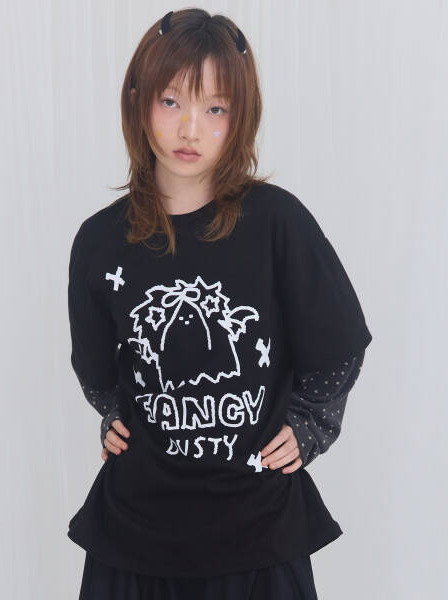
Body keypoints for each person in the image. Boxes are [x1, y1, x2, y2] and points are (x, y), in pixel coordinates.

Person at [67, 9, 373, 600]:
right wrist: (114, 417)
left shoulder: (277, 223)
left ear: (242, 116)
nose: (190, 129)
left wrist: (309, 425)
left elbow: (339, 342)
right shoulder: (100, 241)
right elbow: (98, 371)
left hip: (258, 529)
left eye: (215, 108)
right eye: (171, 102)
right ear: (137, 101)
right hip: (135, 531)